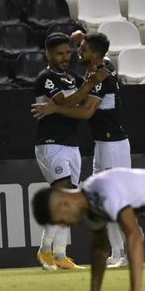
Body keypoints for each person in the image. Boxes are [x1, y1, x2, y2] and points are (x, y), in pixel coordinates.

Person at [32, 31, 131, 268]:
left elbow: (97, 56)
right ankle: (45, 249)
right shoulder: (46, 78)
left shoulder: (77, 76)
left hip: (76, 145)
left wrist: (82, 39)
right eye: (61, 53)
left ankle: (60, 254)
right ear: (47, 54)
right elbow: (66, 102)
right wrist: (90, 83)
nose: (69, 56)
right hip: (51, 143)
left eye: (71, 52)